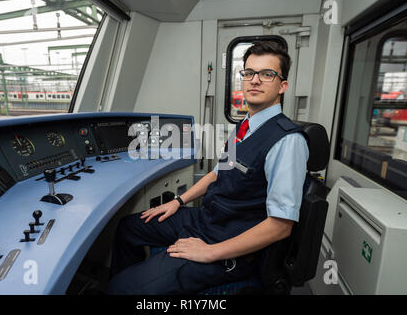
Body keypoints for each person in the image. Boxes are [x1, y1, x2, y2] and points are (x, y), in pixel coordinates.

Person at [106, 41, 309, 294]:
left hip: (230, 242)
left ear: (282, 86)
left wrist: (210, 252)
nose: (255, 80)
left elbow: (280, 226)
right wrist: (178, 201)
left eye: (267, 74)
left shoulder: (288, 142)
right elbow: (217, 174)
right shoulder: (244, 126)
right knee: (128, 227)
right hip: (207, 220)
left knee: (120, 290)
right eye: (249, 73)